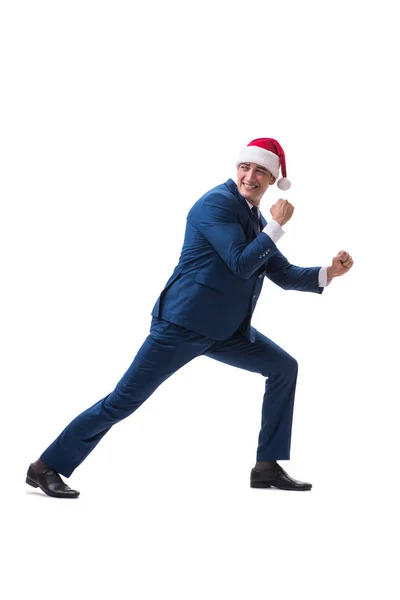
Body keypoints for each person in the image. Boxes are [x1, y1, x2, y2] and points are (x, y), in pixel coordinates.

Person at [26, 137, 353, 498]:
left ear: (272, 179)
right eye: (246, 167)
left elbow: (284, 273)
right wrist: (275, 227)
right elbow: (242, 264)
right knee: (122, 401)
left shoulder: (254, 217)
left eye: (261, 171)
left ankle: (267, 467)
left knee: (283, 367)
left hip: (226, 330)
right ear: (237, 169)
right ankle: (45, 466)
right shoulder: (215, 204)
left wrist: (328, 272)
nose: (250, 176)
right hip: (180, 325)